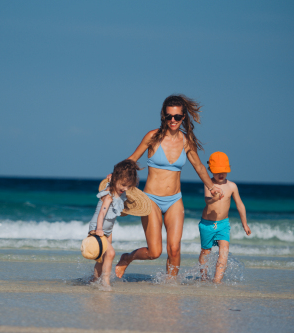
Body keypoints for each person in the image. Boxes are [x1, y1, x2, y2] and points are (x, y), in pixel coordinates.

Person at [115, 94, 223, 279]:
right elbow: (132, 159)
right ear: (163, 116)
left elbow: (198, 166)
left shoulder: (186, 141)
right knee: (154, 252)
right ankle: (127, 257)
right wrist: (115, 174)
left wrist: (211, 186)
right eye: (169, 116)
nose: (173, 120)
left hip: (174, 200)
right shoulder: (152, 137)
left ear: (183, 118)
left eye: (177, 117)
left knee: (174, 249)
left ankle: (171, 289)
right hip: (151, 200)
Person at [85, 159, 143, 290]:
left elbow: (116, 183)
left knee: (101, 259)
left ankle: (94, 280)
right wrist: (98, 229)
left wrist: (112, 177)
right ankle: (105, 281)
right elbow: (101, 214)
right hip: (97, 228)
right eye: (123, 185)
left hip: (108, 231)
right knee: (110, 253)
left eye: (128, 186)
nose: (125, 188)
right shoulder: (109, 195)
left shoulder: (120, 191)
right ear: (116, 179)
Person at [198, 151, 251, 283]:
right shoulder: (209, 184)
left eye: (223, 171)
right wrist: (214, 198)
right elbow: (207, 201)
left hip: (223, 224)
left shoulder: (232, 186)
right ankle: (204, 278)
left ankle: (217, 280)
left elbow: (240, 205)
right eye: (217, 172)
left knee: (224, 250)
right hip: (207, 224)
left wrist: (244, 223)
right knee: (206, 252)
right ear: (210, 170)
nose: (220, 174)